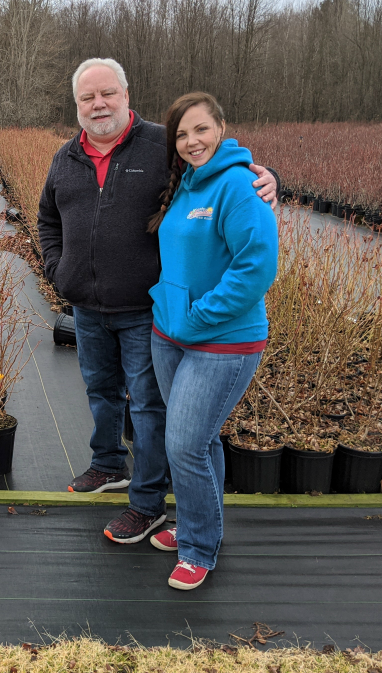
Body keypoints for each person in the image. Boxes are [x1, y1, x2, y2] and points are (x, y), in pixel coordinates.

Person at [36, 58, 278, 545]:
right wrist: (57, 270)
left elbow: (215, 165)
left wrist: (270, 177)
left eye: (107, 93)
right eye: (88, 97)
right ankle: (107, 464)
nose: (98, 104)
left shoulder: (159, 144)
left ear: (126, 95)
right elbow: (47, 219)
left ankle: (147, 504)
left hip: (145, 310)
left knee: (148, 408)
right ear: (78, 105)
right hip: (86, 308)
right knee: (100, 392)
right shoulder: (66, 158)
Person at [144, 91, 278, 590]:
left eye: (200, 129)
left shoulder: (241, 187)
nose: (191, 141)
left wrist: (199, 316)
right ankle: (202, 525)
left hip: (222, 341)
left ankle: (200, 546)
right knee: (199, 441)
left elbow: (257, 265)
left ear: (221, 127)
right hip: (170, 334)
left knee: (183, 444)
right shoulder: (185, 184)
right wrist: (169, 307)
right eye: (181, 134)